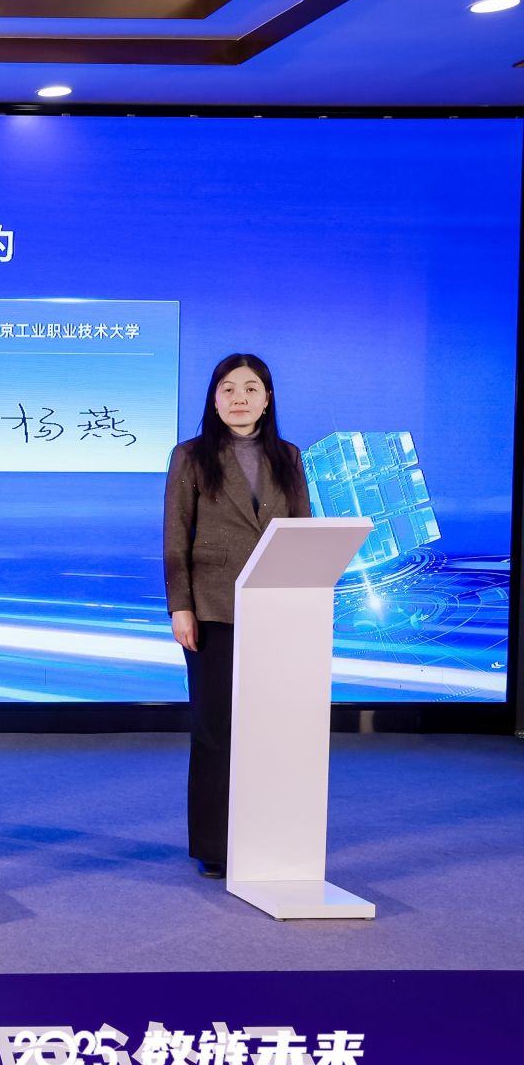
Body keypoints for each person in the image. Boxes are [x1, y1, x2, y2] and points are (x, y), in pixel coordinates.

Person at [164, 353, 310, 880]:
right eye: (228, 389)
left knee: (272, 727)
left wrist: (303, 603)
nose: (239, 398)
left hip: (276, 610)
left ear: (267, 399)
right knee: (215, 729)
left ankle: (266, 833)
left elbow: (303, 533)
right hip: (213, 608)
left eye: (250, 389)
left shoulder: (289, 457)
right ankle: (215, 845)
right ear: (214, 398)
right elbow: (175, 537)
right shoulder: (190, 456)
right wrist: (181, 606)